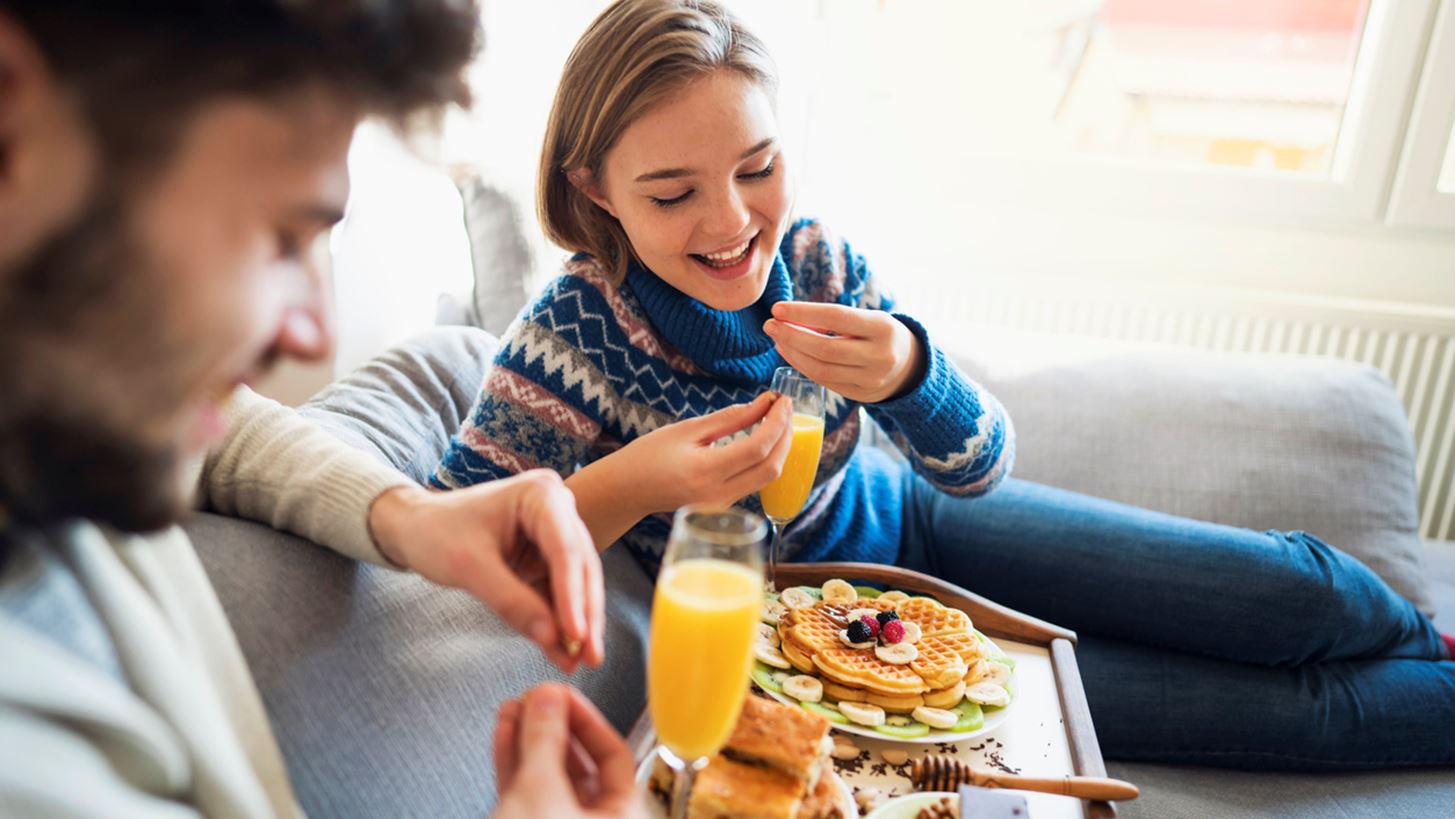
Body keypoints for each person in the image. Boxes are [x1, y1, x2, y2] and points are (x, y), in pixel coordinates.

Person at [434, 0, 1455, 771]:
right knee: (1296, 713)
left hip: (918, 521)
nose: (731, 222)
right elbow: (454, 538)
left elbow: (982, 466)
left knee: (1298, 587)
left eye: (758, 167)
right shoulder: (568, 340)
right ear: (591, 187)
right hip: (804, 643)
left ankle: (1428, 641)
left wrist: (912, 373)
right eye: (671, 193)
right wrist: (640, 483)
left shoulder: (821, 264)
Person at [0, 2, 641, 816]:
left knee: (463, 355)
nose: (316, 337)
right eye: (281, 237)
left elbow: (224, 420)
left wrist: (405, 514)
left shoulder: (59, 394)